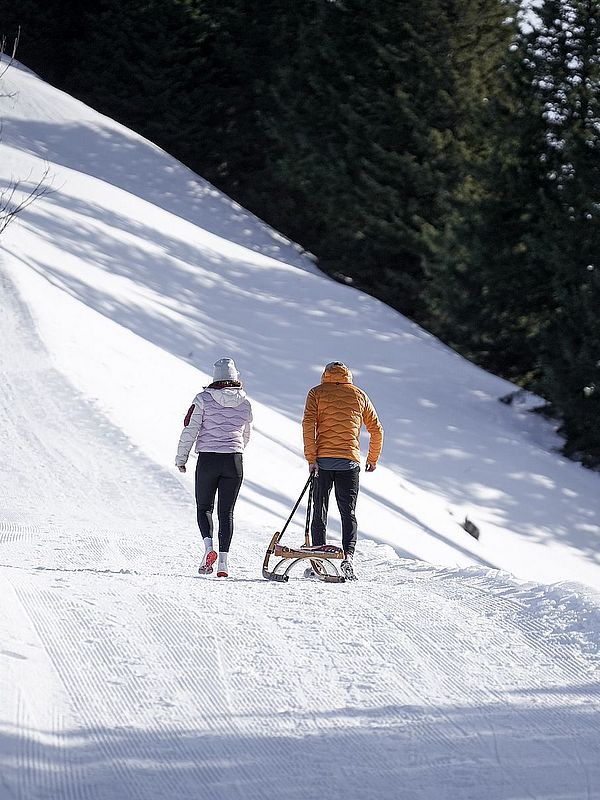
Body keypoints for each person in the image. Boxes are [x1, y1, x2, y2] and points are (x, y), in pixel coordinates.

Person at [302, 361, 383, 580]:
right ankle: (348, 557)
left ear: (325, 375)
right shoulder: (359, 395)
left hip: (323, 462)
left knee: (319, 510)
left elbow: (308, 425)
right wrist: (372, 459)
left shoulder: (316, 393)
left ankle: (319, 561)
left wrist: (311, 458)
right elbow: (376, 429)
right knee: (348, 512)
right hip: (349, 462)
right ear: (348, 376)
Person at [176, 358, 252, 578]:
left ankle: (210, 550)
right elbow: (246, 434)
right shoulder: (245, 402)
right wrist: (234, 450)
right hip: (234, 460)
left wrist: (181, 459)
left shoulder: (202, 399)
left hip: (208, 459)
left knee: (204, 508)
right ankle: (224, 565)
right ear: (235, 377)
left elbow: (190, 430)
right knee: (226, 512)